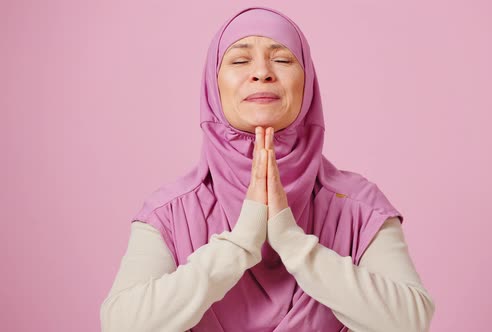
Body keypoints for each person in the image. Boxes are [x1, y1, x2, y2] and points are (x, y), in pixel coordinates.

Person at [100, 6, 435, 332]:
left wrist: (292, 243)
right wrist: (241, 241)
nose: (262, 72)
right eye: (240, 60)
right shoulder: (171, 212)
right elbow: (121, 325)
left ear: (307, 85)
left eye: (282, 59)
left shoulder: (359, 205)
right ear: (213, 86)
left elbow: (411, 322)